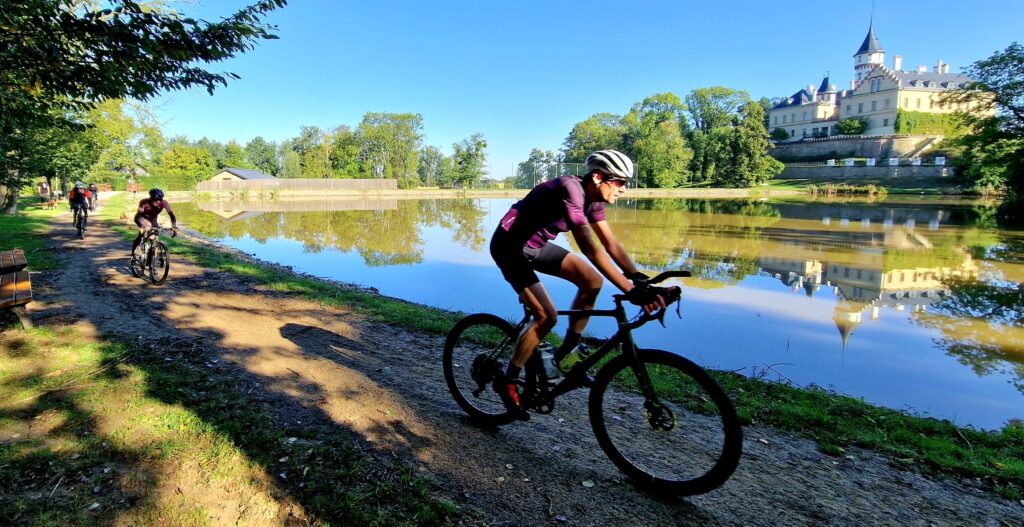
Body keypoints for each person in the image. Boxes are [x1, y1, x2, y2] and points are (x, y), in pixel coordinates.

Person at [488, 149, 674, 419]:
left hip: (535, 246)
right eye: (620, 182)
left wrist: (639, 278)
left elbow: (611, 245)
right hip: (509, 247)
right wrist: (631, 291)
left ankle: (565, 355)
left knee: (592, 281)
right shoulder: (570, 189)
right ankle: (508, 381)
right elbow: (590, 249)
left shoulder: (593, 200)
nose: (623, 189)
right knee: (546, 316)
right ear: (598, 177)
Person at [132, 188, 178, 256]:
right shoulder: (144, 202)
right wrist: (145, 225)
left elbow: (171, 215)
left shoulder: (164, 202)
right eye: (156, 200)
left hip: (153, 220)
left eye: (160, 199)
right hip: (140, 218)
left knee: (153, 238)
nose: (158, 201)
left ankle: (151, 258)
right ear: (151, 198)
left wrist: (174, 226)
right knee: (143, 232)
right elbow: (139, 214)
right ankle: (136, 249)